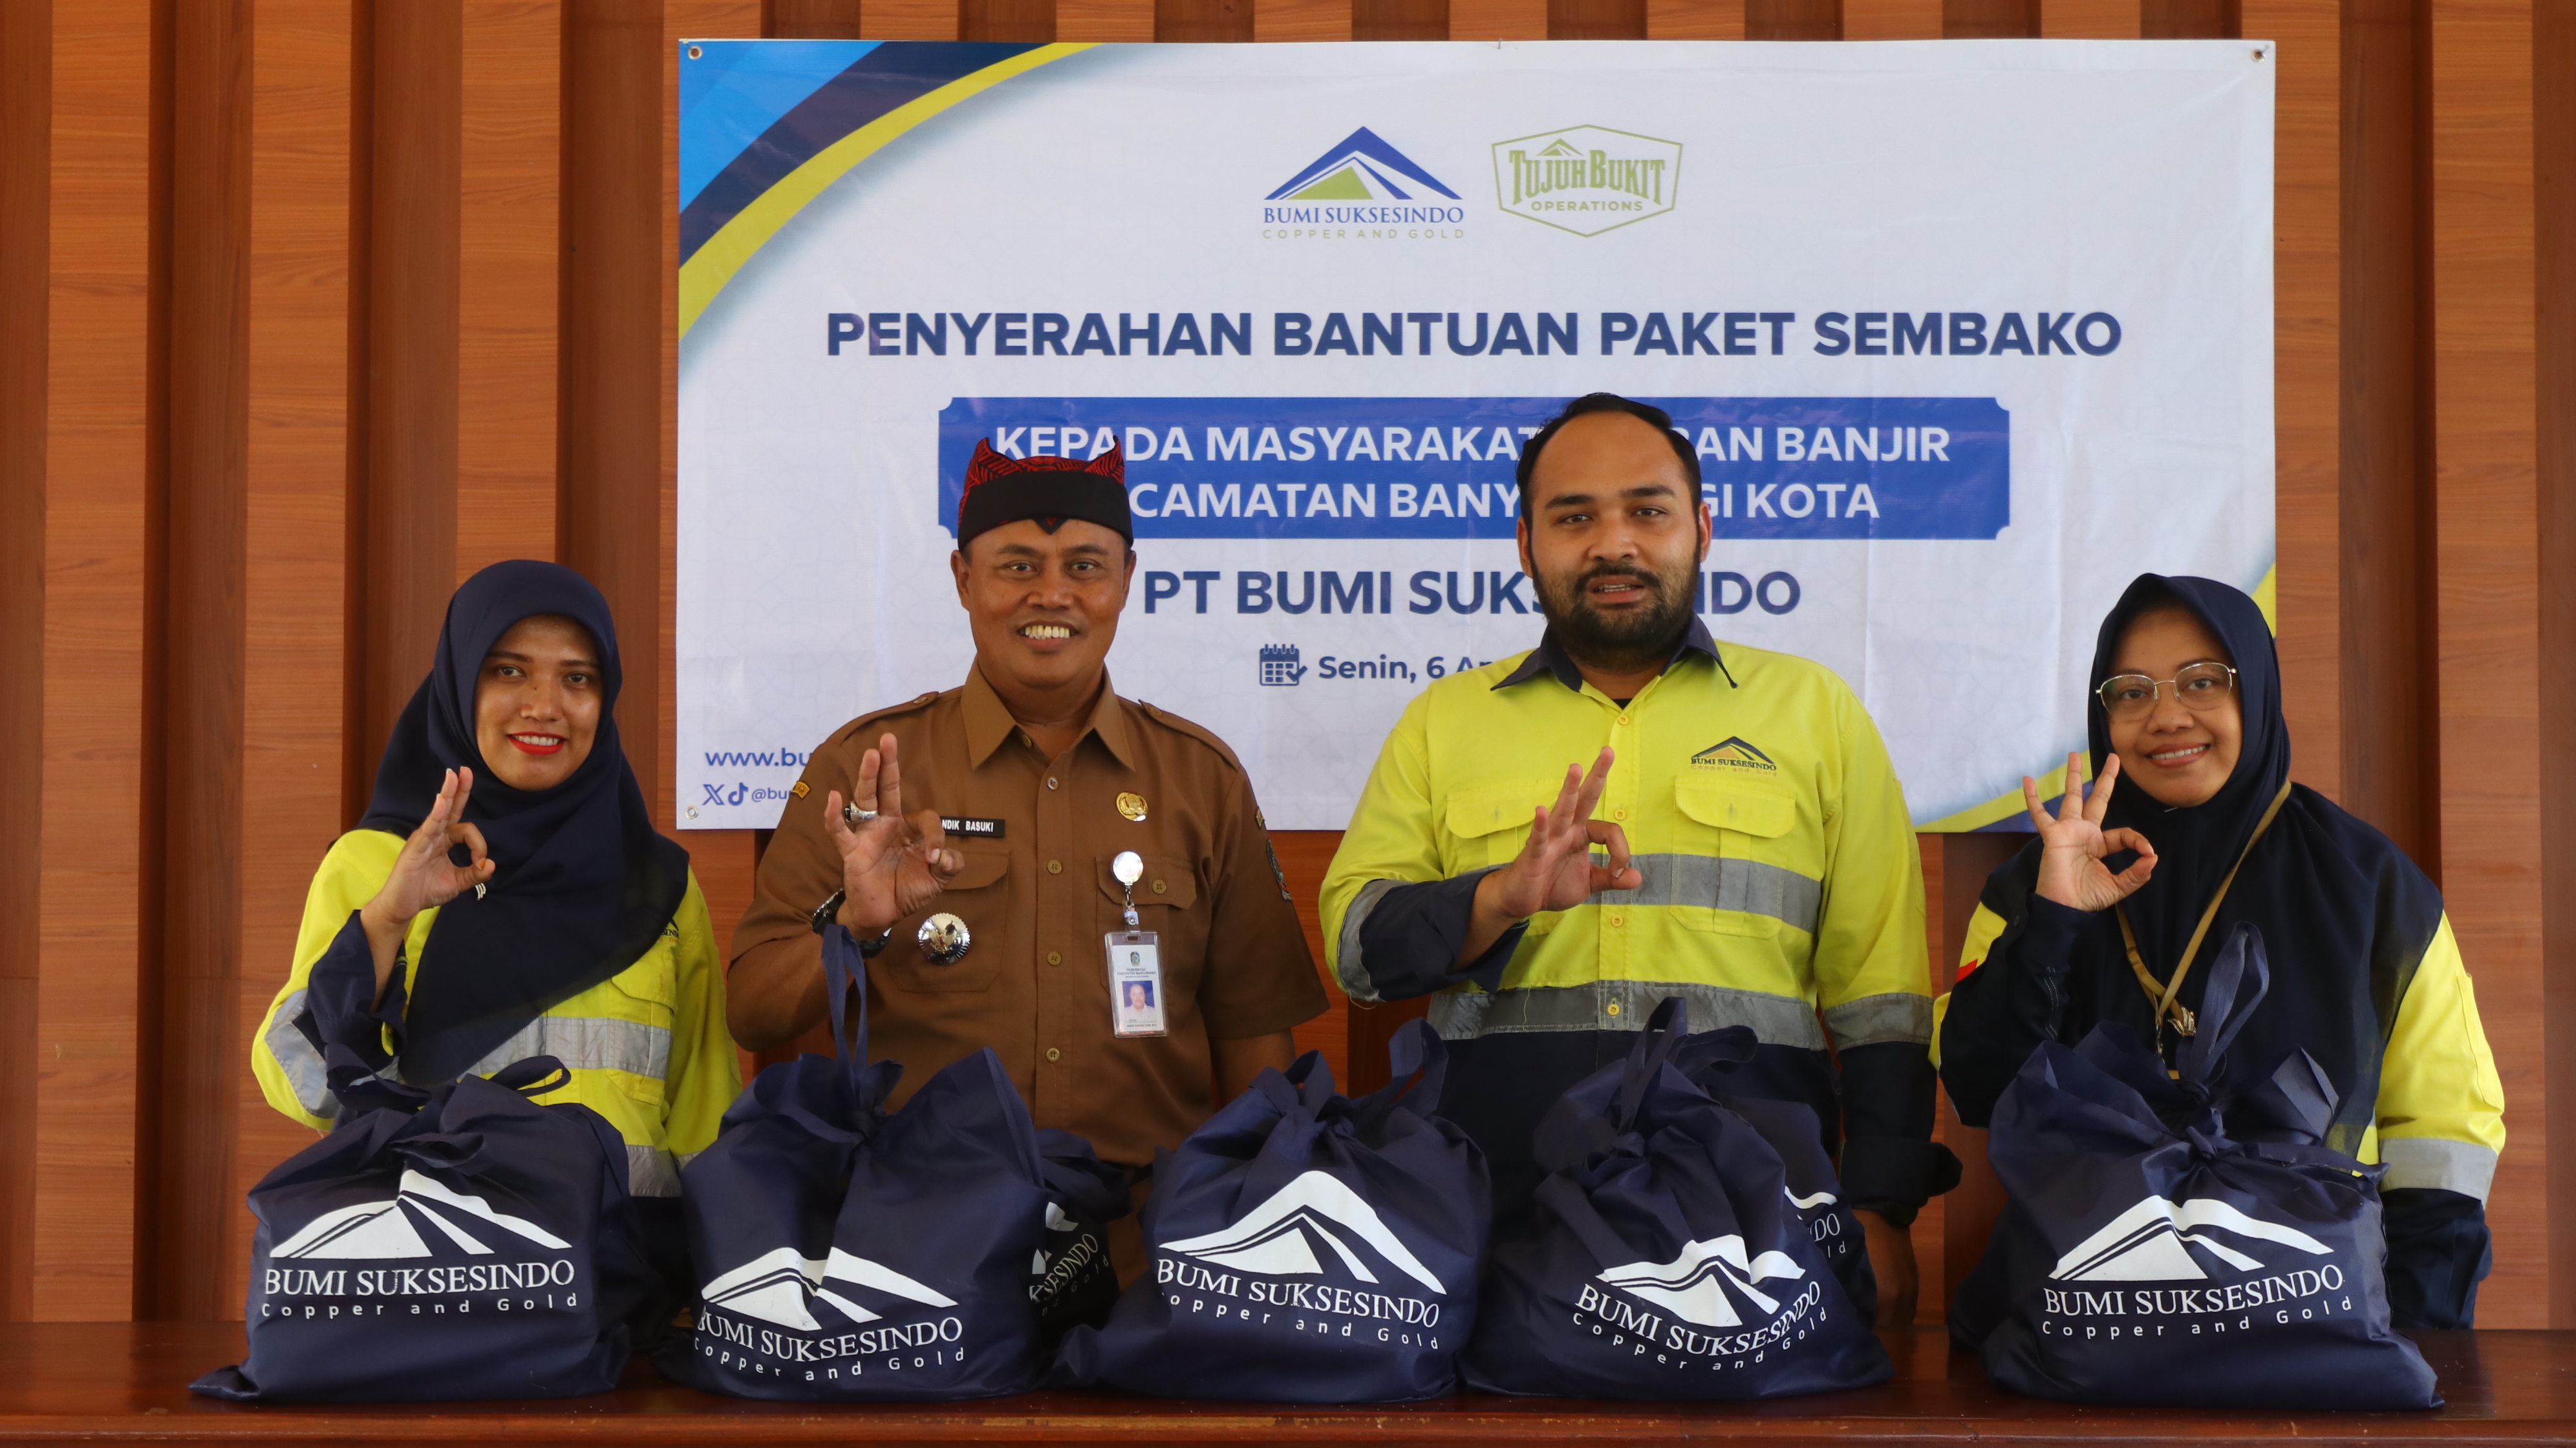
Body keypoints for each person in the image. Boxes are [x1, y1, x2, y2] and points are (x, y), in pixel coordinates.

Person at [1320, 393, 1955, 1327]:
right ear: (1525, 544)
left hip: (1756, 1225)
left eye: (1648, 511)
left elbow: (1882, 997)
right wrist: (1497, 899)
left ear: (1702, 528)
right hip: (1499, 1216)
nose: (1613, 543)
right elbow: (1357, 953)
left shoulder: (1816, 714)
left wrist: (1882, 1209)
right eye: (1573, 517)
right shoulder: (1442, 723)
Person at [728, 438, 1326, 1182]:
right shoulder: (868, 768)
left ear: (1126, 579)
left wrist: (1255, 1211)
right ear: (963, 578)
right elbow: (751, 1011)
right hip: (924, 1220)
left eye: (1085, 566)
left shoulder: (1203, 779)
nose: (1052, 594)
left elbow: (1254, 1037)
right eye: (1018, 566)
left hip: (1148, 1228)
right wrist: (854, 926)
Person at [1935, 573, 2504, 1328]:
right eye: (2131, 691)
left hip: (2316, 1317)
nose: (2167, 715)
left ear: (2257, 689)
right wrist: (2053, 922)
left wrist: (2414, 1332)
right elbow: (1980, 1088)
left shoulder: (2369, 885)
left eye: (2203, 680)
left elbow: (2443, 1133)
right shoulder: (2033, 884)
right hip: (2091, 1318)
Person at [253, 560, 739, 1208]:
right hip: (434, 1257)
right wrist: (387, 921)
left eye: (577, 677)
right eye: (509, 671)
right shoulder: (376, 863)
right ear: (459, 683)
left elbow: (706, 1128)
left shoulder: (660, 886)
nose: (545, 706)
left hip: (617, 1264)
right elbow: (304, 1087)